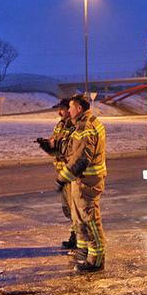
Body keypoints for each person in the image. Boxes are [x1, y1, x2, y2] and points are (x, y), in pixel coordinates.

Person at [55, 95, 107, 273]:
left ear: (78, 109)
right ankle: (84, 252)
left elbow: (81, 158)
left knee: (89, 219)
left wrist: (63, 176)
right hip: (81, 180)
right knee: (79, 218)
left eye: (70, 107)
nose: (68, 110)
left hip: (88, 180)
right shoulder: (81, 124)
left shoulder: (86, 127)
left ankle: (96, 259)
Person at [37, 97, 76, 249]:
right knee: (67, 208)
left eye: (63, 109)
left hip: (71, 173)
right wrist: (46, 146)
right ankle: (75, 235)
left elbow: (69, 150)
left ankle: (78, 238)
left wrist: (54, 148)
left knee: (74, 208)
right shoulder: (60, 125)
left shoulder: (74, 126)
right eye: (59, 109)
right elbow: (56, 147)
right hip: (62, 172)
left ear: (70, 110)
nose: (59, 112)